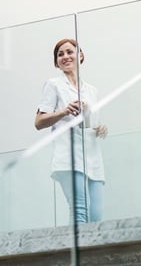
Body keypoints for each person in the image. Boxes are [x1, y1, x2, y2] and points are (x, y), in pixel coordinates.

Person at [34, 38, 108, 224]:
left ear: (80, 55)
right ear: (56, 62)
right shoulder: (53, 85)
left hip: (92, 157)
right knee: (80, 211)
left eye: (69, 52)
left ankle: (93, 252)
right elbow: (39, 122)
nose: (65, 56)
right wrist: (64, 111)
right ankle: (76, 252)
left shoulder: (92, 90)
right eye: (60, 54)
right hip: (68, 156)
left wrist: (101, 127)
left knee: (96, 216)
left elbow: (92, 122)